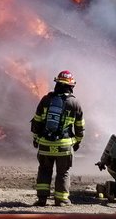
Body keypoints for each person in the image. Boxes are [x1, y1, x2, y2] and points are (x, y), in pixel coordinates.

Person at [30, 70, 85, 206]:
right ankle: (61, 199)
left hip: (45, 145)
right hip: (64, 146)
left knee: (44, 169)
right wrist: (78, 141)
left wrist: (36, 138)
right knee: (63, 172)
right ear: (71, 86)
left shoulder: (46, 100)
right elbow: (79, 126)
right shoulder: (75, 103)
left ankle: (42, 199)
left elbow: (36, 122)